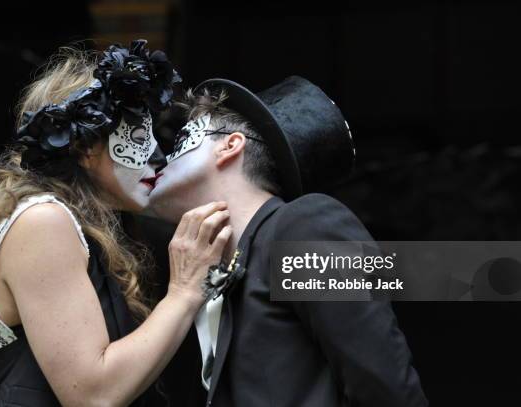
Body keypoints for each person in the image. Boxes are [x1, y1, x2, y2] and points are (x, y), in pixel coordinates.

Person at [0, 41, 233, 406]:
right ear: (86, 149)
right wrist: (184, 291)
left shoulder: (82, 227)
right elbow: (91, 395)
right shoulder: (43, 221)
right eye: (137, 135)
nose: (157, 154)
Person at [149, 76, 429, 406]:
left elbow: (388, 391)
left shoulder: (301, 226)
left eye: (182, 136)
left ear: (230, 145)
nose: (159, 154)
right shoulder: (215, 269)